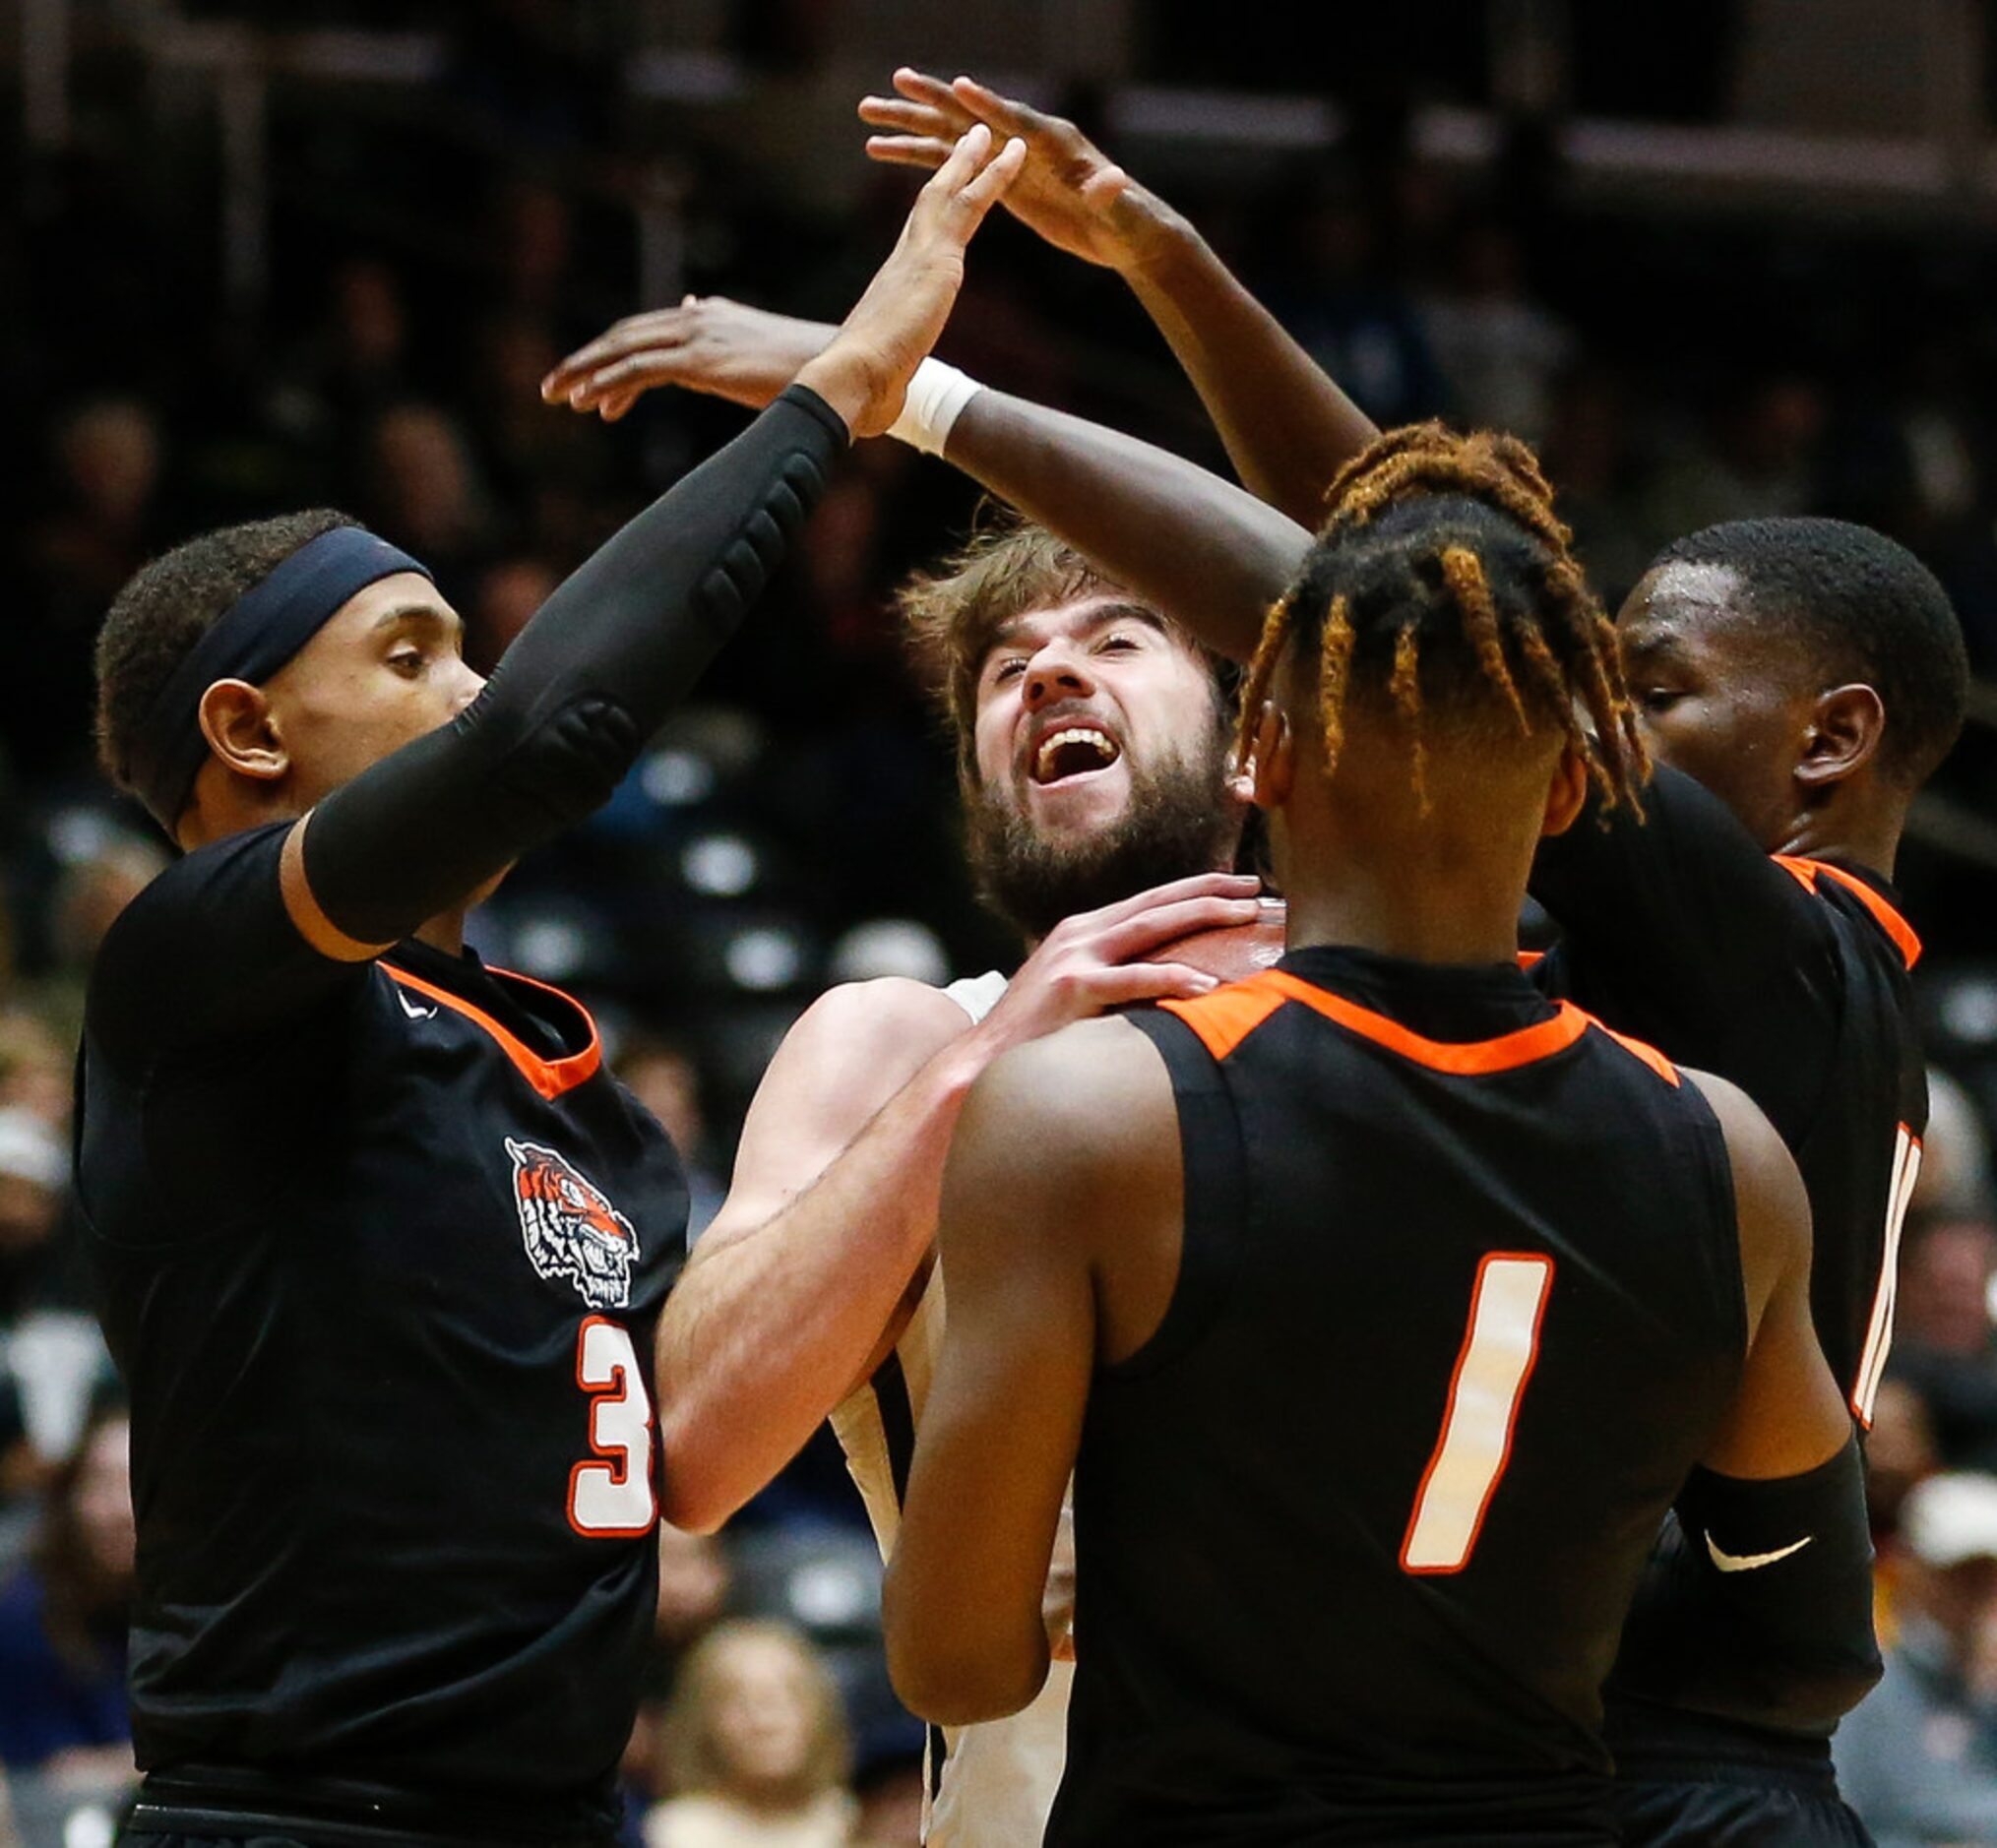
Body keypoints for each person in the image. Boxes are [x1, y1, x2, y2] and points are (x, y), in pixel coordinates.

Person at [546, 75, 1968, 1843]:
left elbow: (1419, 585)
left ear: (1263, 740)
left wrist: (922, 391)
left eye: (1642, 692)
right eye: (1003, 664)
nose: (1575, 711)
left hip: (1524, 1764)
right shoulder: (1654, 1081)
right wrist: (1151, 255)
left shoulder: (1714, 1003)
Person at [75, 124, 1027, 1848]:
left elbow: (685, 1454)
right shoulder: (192, 971)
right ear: (245, 726)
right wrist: (838, 392)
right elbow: (543, 738)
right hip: (298, 1818)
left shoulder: (581, 1093)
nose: (471, 684)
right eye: (409, 650)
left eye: (466, 648)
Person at [882, 425, 1877, 1843]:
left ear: (1261, 754)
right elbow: (1802, 1606)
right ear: (1568, 790)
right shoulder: (1723, 1154)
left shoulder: (1087, 1114)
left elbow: (954, 1660)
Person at [567, 503, 1266, 1846]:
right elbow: (699, 1442)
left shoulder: (1394, 1025)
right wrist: (993, 1058)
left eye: (1117, 639)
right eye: (1007, 670)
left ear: (1252, 754)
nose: (1052, 675)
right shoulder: (903, 1040)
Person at [1835, 1471, 1997, 1846]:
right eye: (1961, 1574)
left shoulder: (1987, 1692)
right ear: (1912, 1569)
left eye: (1990, 1576)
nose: (1976, 1592)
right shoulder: (1866, 1692)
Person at [0, 1403, 134, 1784]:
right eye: (104, 1485)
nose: (122, 1511)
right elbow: (53, 1774)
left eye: (137, 1487)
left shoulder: (200, 1614)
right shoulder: (22, 1615)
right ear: (70, 1498)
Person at [647, 1621, 858, 1848]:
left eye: (785, 1700)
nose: (764, 1724)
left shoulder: (853, 1821)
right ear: (700, 1724)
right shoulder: (674, 1831)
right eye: (739, 1704)